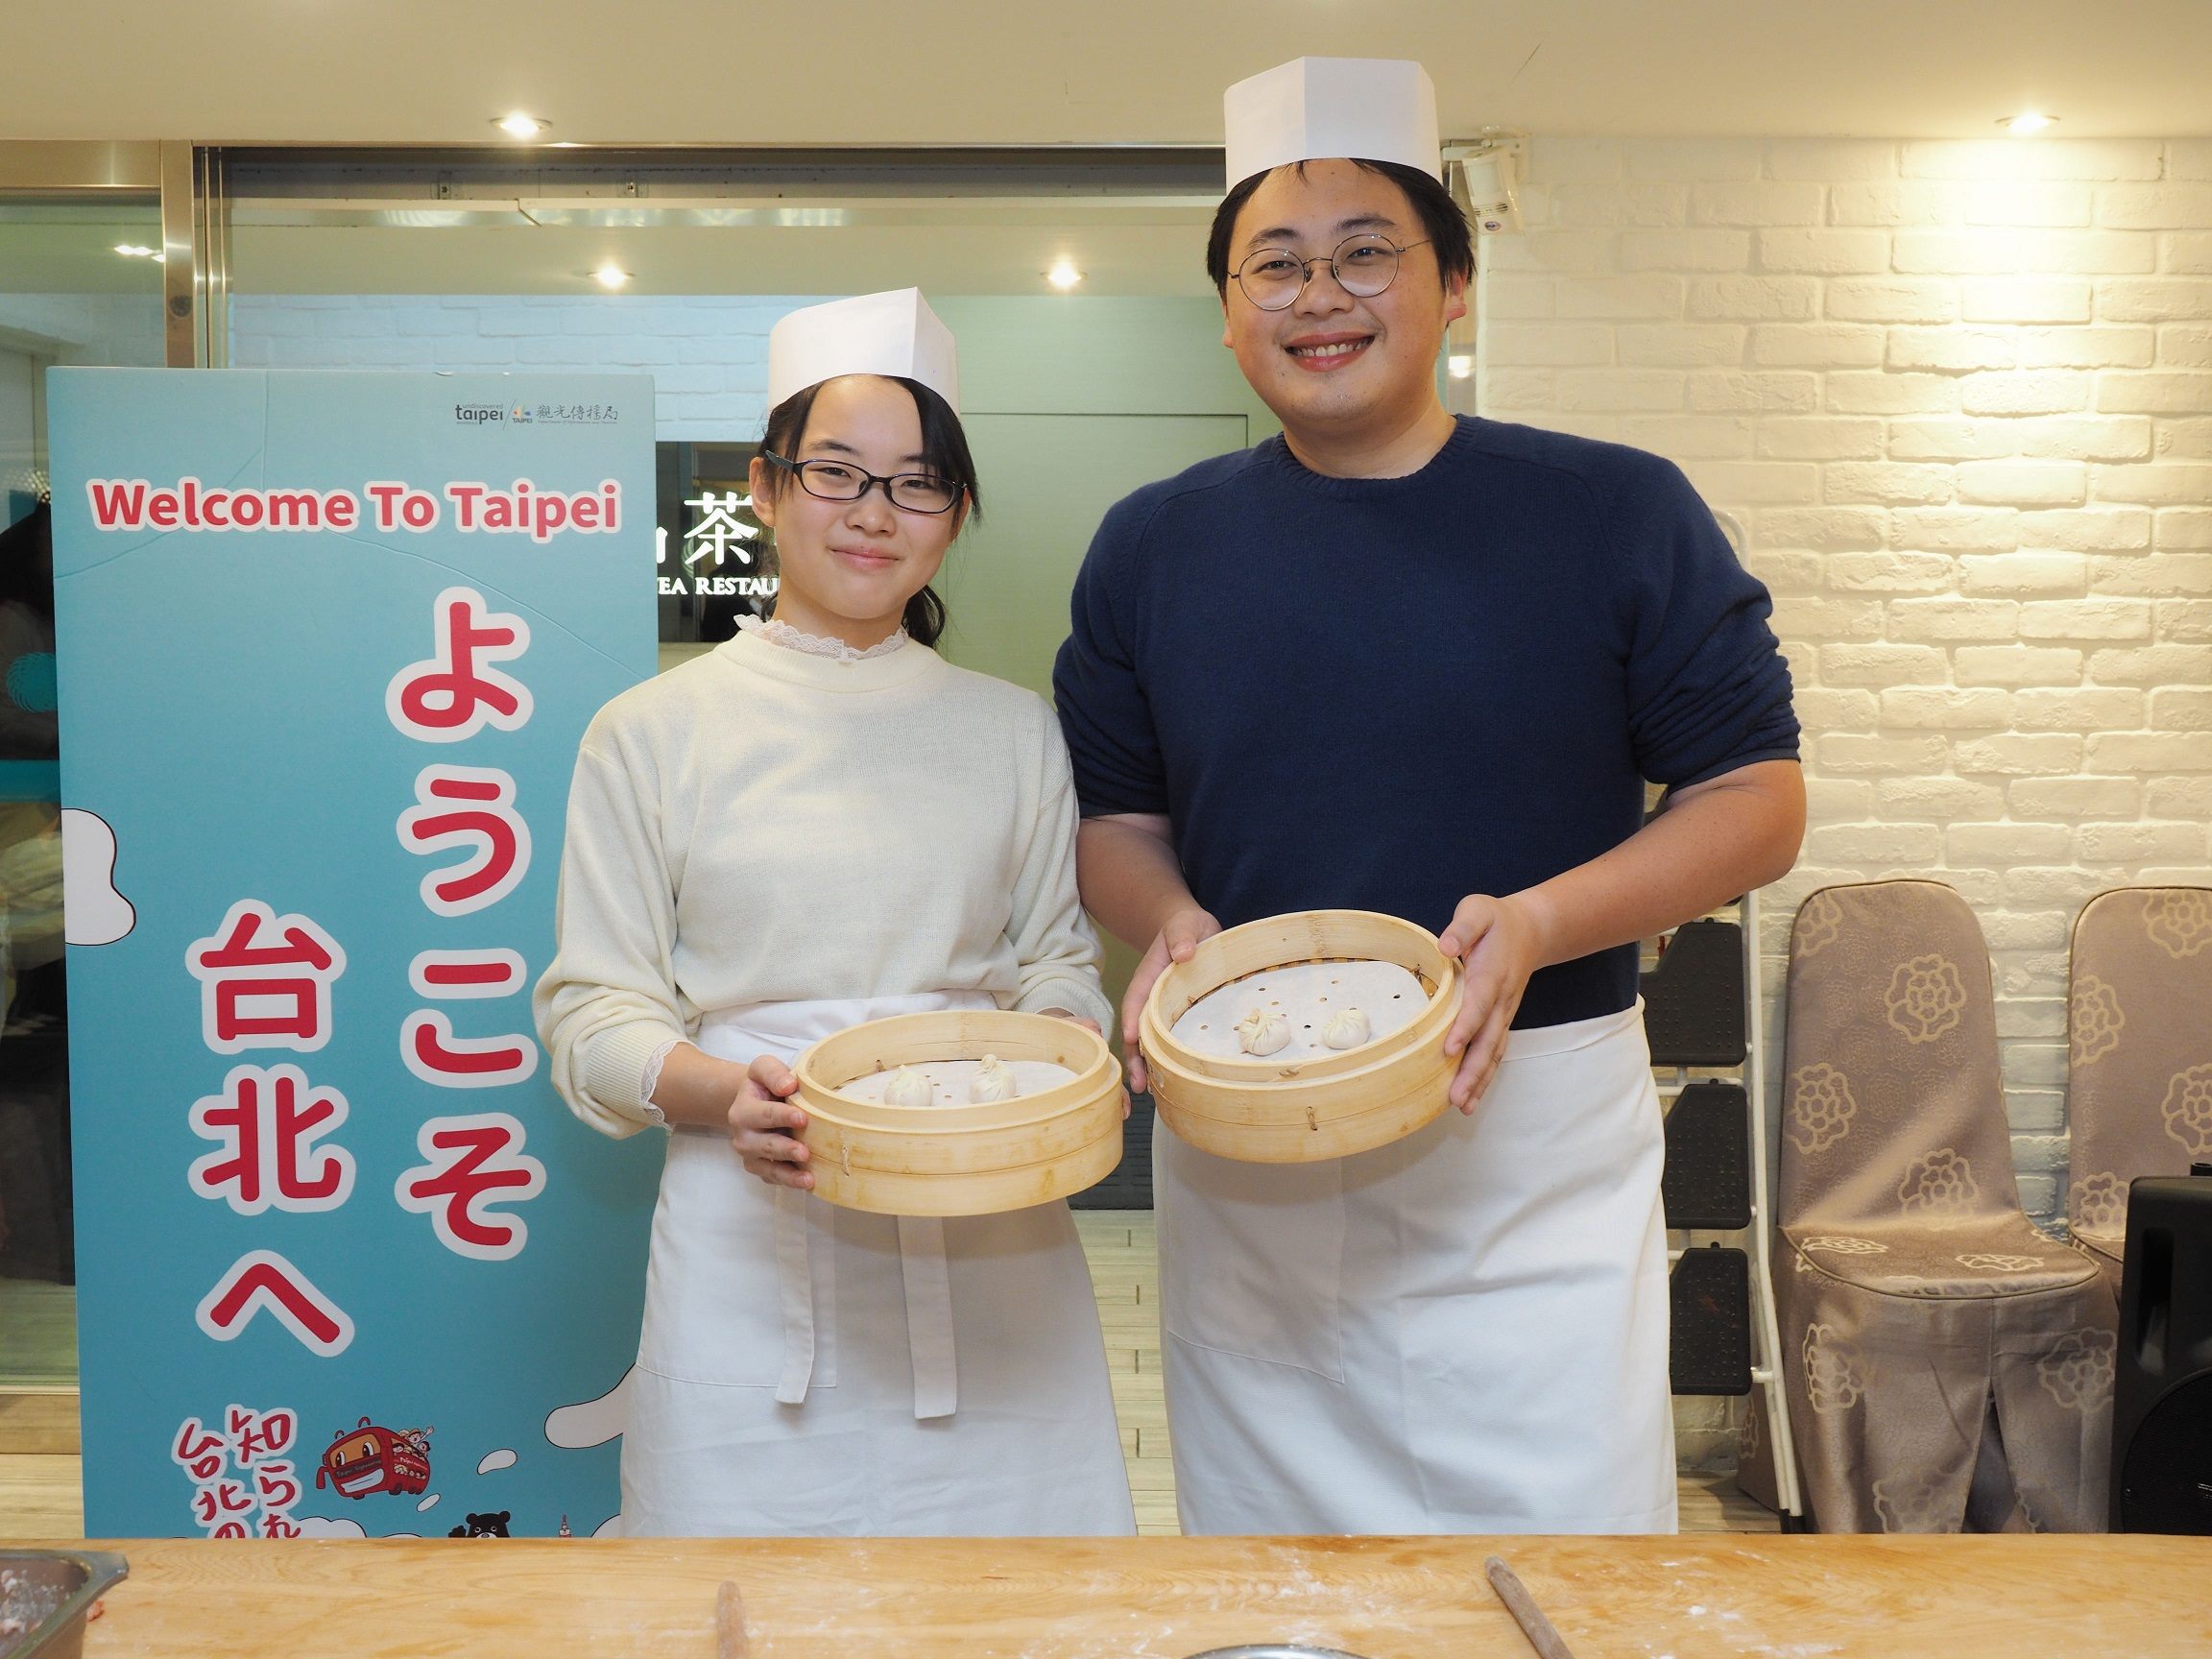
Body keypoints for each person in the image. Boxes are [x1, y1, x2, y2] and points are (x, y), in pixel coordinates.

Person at [1053, 58, 1805, 1536]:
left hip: (1529, 1132)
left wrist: (1541, 916)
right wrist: (1175, 927)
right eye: (1273, 263)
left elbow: (1756, 799)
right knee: (1281, 1571)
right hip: (1257, 1127)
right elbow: (1117, 823)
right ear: (1225, 311)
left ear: (1453, 286)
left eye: (1364, 254)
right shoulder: (1153, 545)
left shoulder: (1613, 508)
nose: (1316, 293)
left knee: (1563, 1563)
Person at [537, 289, 1135, 1537]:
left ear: (956, 513)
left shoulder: (1010, 726)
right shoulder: (651, 731)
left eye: (918, 484)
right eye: (836, 474)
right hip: (750, 1227)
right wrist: (720, 1092)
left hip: (984, 1223)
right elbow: (596, 1007)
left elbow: (1058, 967)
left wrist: (1054, 1062)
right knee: (740, 1588)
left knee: (1012, 1595)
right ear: (763, 486)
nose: (875, 513)